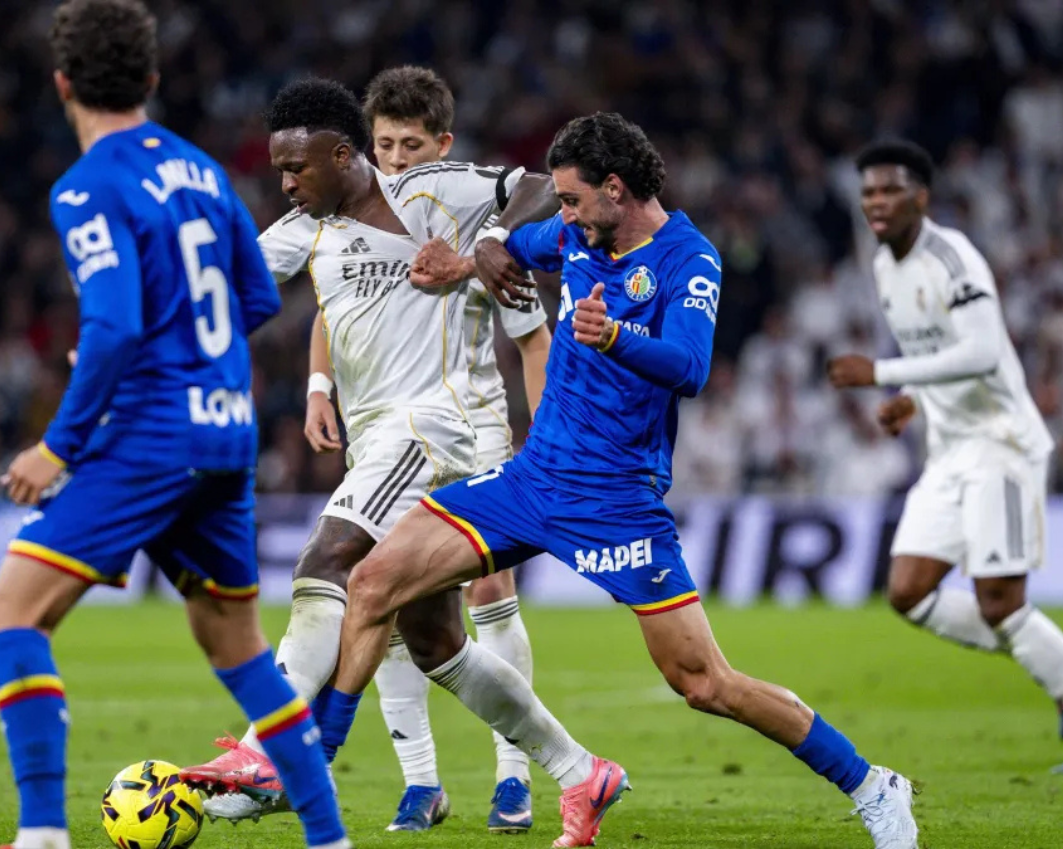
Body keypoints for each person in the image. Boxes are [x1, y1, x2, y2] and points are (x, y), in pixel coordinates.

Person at [319, 112, 922, 849]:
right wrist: (476, 254)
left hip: (616, 499)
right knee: (376, 582)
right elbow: (513, 243)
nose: (562, 214)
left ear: (615, 188)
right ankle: (312, 766)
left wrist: (616, 335)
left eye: (572, 200)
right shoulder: (576, 233)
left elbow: (692, 367)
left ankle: (870, 783)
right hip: (533, 479)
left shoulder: (688, 259)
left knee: (703, 682)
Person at [180, 78, 615, 847]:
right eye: (279, 171)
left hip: (436, 428)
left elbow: (541, 186)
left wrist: (492, 243)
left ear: (343, 156)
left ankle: (266, 749)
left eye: (297, 168)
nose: (285, 184)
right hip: (377, 430)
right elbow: (223, 283)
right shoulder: (305, 230)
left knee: (330, 556)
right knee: (433, 637)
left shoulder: (438, 192)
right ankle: (581, 770)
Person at [0, 3, 347, 849]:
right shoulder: (205, 173)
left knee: (10, 618)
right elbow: (255, 297)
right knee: (242, 654)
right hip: (226, 433)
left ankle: (40, 835)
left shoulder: (85, 186)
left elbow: (112, 326)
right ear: (149, 79)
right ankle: (330, 840)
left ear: (63, 82)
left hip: (150, 438)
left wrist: (56, 445)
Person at [301, 65, 551, 833]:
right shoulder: (357, 227)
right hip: (387, 437)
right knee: (388, 593)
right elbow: (331, 308)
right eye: (386, 145)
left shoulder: (478, 232)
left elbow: (534, 340)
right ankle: (422, 782)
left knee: (489, 594)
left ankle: (515, 775)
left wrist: (541, 450)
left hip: (473, 433)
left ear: (444, 144)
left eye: (414, 144)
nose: (400, 160)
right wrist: (317, 385)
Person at [828, 139, 1063, 750]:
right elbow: (937, 352)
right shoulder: (884, 266)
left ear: (921, 197)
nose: (876, 203)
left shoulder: (952, 257)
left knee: (1001, 602)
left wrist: (882, 375)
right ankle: (1036, 647)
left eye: (889, 190)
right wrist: (916, 399)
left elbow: (984, 351)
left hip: (1000, 442)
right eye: (869, 193)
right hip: (950, 447)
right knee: (908, 591)